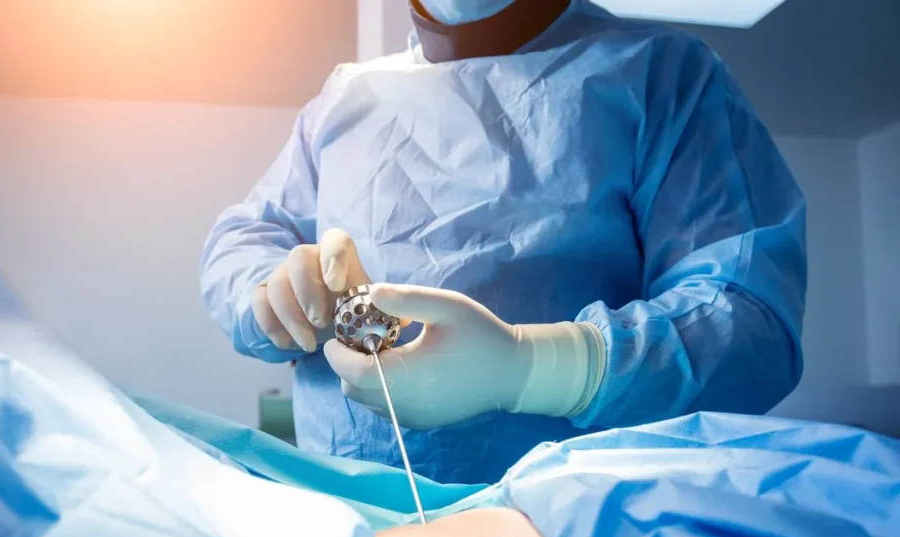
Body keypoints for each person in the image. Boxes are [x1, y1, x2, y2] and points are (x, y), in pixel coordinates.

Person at [201, 0, 807, 485]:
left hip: (582, 526)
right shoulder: (340, 103)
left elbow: (745, 318)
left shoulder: (661, 74)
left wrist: (535, 367)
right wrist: (276, 290)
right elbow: (244, 238)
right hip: (352, 514)